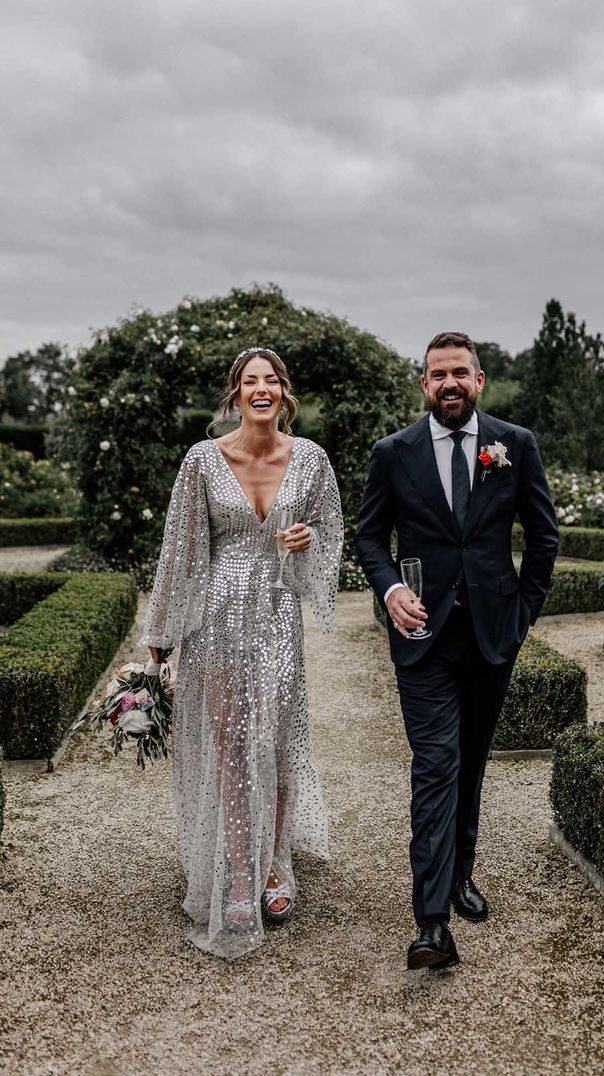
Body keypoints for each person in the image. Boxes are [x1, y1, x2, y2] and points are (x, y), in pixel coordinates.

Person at [355, 331, 558, 970]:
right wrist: (389, 590)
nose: (449, 383)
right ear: (423, 384)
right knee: (436, 764)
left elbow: (545, 537)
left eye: (459, 373)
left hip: (494, 635)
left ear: (479, 380)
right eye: (437, 373)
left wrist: (522, 614)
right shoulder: (394, 454)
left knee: (470, 762)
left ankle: (462, 873)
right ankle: (433, 921)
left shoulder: (514, 445)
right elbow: (368, 539)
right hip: (422, 639)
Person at [142, 347, 343, 960]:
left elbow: (330, 538)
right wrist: (159, 639)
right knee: (231, 744)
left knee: (278, 742)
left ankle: (277, 865)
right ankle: (236, 873)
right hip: (218, 621)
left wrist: (305, 543)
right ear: (235, 396)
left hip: (278, 616)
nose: (262, 389)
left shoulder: (310, 459)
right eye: (250, 381)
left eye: (272, 380)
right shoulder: (202, 461)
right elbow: (179, 552)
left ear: (284, 393)